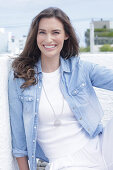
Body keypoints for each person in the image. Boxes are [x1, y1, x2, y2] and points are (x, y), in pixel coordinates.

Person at [8, 7, 113, 170]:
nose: (48, 39)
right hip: (64, 162)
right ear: (35, 36)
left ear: (66, 35)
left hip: (101, 147)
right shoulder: (21, 77)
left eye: (55, 32)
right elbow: (19, 140)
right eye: (42, 32)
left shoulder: (79, 68)